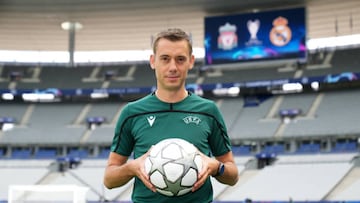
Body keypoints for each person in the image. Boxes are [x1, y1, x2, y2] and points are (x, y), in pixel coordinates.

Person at [103, 28, 239, 203]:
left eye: (180, 59)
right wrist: (131, 168)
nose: (173, 67)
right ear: (153, 61)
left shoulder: (208, 111)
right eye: (165, 59)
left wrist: (216, 167)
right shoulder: (132, 113)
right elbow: (109, 179)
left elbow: (233, 175)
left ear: (190, 62)